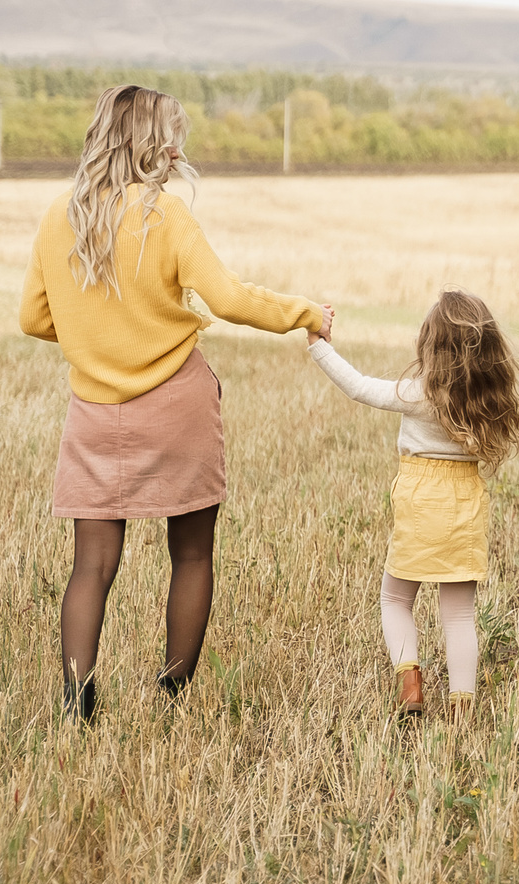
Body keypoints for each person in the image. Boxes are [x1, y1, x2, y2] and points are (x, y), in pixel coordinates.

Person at [20, 84, 330, 720]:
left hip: (94, 413)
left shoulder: (62, 217)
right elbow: (230, 297)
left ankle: (77, 705)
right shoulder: (165, 216)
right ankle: (172, 697)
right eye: (172, 133)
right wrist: (306, 312)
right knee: (191, 555)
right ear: (149, 142)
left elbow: (32, 318)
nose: (179, 147)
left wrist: (93, 337)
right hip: (177, 405)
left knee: (91, 567)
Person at [305, 290, 519, 721]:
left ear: (430, 345)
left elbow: (357, 386)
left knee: (395, 599)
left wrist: (318, 344)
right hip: (465, 500)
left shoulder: (418, 393)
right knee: (460, 614)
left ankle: (410, 682)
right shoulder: (482, 402)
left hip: (419, 498)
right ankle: (462, 708)